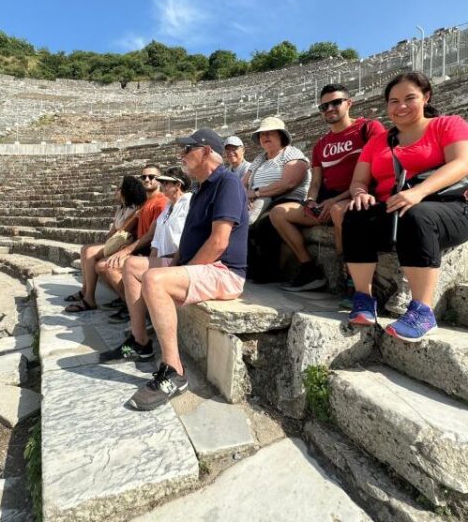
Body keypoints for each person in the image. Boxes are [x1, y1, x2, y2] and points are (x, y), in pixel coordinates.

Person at [344, 72, 468, 342]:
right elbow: (359, 180)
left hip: (448, 208)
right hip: (393, 210)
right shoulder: (379, 141)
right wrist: (360, 193)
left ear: (426, 97)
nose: (400, 106)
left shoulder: (448, 125)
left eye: (409, 98)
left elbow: (463, 164)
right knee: (356, 214)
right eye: (393, 101)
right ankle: (364, 298)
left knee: (415, 214)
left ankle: (423, 311)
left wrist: (418, 192)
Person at [126, 129, 248, 410]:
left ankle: (174, 371)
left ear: (206, 151)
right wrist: (177, 263)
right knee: (134, 266)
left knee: (155, 281)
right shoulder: (201, 188)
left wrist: (184, 271)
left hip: (224, 271)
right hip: (199, 263)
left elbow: (219, 242)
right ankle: (140, 340)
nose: (181, 155)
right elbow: (189, 239)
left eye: (187, 149)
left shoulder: (226, 183)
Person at [269, 84, 386, 291]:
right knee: (278, 213)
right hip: (327, 201)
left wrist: (336, 200)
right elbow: (315, 182)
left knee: (338, 210)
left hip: (359, 197)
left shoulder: (369, 128)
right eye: (324, 106)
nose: (330, 108)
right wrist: (310, 201)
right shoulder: (321, 144)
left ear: (349, 103)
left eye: (335, 103)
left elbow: (376, 173)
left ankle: (350, 276)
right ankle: (309, 269)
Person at [99, 167, 192, 363]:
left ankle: (141, 340)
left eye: (167, 182)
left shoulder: (188, 203)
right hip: (165, 257)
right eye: (163, 182)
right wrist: (149, 262)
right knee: (131, 265)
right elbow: (156, 242)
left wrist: (163, 265)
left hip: (180, 259)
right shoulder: (168, 208)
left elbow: (188, 238)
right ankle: (139, 337)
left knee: (131, 265)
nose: (163, 185)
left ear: (178, 185)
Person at [241, 117, 310, 284]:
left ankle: (266, 273)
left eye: (270, 133)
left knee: (263, 226)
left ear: (281, 136)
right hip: (258, 201)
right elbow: (242, 183)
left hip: (285, 200)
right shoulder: (259, 158)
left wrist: (255, 193)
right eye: (262, 134)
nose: (265, 137)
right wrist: (244, 196)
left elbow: (288, 183)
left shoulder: (291, 153)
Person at [64, 175, 146, 312]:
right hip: (115, 242)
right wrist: (109, 239)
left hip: (125, 244)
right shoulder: (121, 208)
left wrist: (112, 238)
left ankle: (89, 299)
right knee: (85, 249)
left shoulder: (135, 209)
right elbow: (113, 230)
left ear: (126, 191)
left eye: (119, 188)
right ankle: (85, 291)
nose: (116, 190)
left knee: (90, 252)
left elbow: (124, 229)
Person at [98, 164, 168, 321]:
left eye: (152, 177)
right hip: (140, 248)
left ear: (160, 180)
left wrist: (126, 250)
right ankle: (128, 301)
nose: (147, 179)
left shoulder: (161, 202)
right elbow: (138, 230)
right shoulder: (144, 203)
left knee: (109, 267)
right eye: (143, 177)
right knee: (102, 266)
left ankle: (137, 310)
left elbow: (151, 235)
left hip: (150, 252)